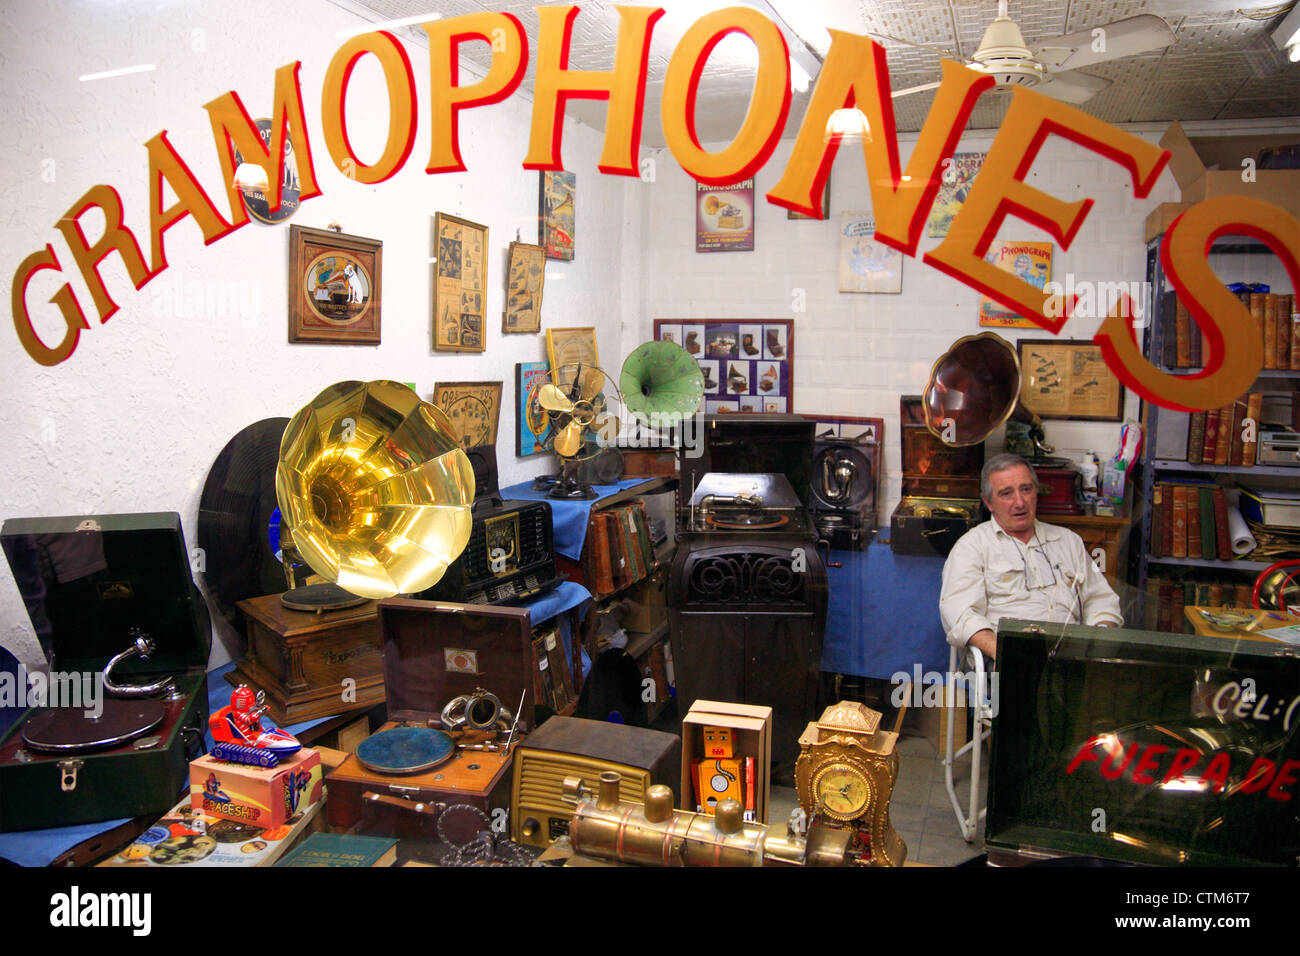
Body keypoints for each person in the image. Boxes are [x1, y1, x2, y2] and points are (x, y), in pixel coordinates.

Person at [939, 453, 1121, 660]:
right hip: (1008, 663)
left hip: (1072, 662)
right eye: (1006, 493)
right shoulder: (971, 547)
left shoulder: (1069, 541)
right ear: (989, 503)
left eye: (1026, 489)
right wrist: (1003, 653)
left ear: (1036, 491)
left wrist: (1097, 646)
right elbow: (960, 614)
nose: (1019, 502)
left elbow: (1102, 601)